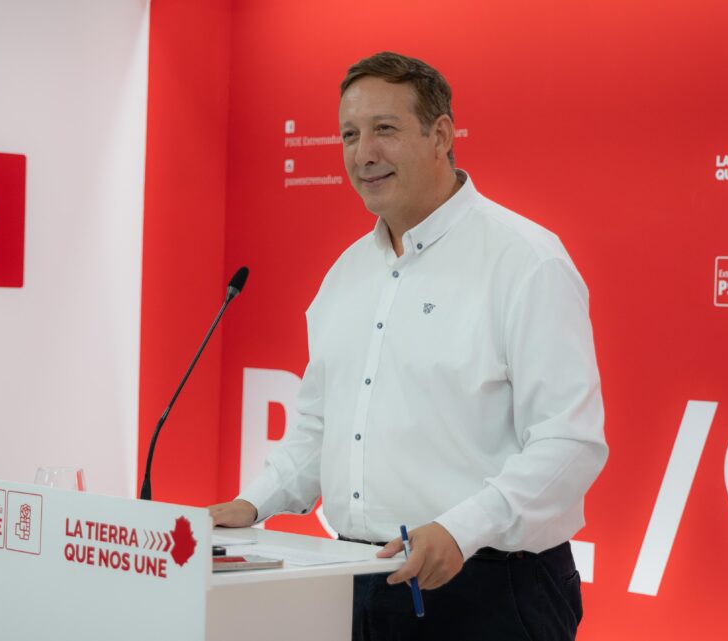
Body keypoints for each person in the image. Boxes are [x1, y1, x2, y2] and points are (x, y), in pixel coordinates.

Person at [210, 51, 608, 641]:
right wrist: (253, 503)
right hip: (354, 578)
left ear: (441, 135)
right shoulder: (345, 275)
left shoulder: (525, 262)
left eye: (385, 129)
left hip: (489, 589)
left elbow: (569, 442)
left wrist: (460, 530)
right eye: (350, 135)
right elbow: (320, 427)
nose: (363, 153)